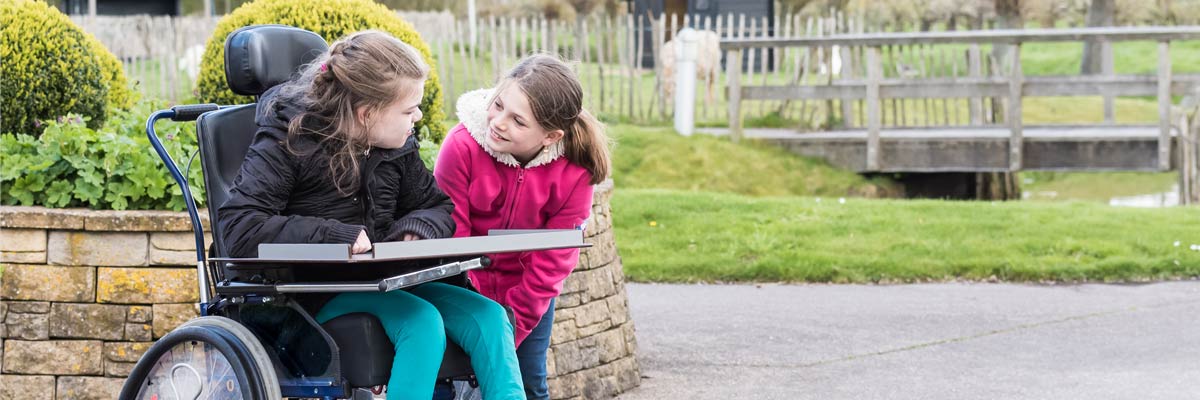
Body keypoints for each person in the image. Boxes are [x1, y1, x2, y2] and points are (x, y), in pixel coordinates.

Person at [217, 30, 524, 400]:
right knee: (421, 322)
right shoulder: (289, 139)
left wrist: (417, 228)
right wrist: (336, 236)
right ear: (367, 114)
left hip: (388, 281)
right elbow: (240, 228)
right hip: (316, 292)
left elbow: (438, 207)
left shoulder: (396, 144)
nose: (419, 116)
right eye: (409, 110)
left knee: (489, 318)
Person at [434, 54, 611, 400]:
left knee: (527, 383)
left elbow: (556, 256)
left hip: (528, 295)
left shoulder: (576, 171)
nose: (498, 122)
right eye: (498, 105)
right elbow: (453, 239)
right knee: (448, 383)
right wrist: (477, 316)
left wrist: (514, 325)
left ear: (550, 136)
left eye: (518, 121)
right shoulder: (461, 147)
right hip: (464, 288)